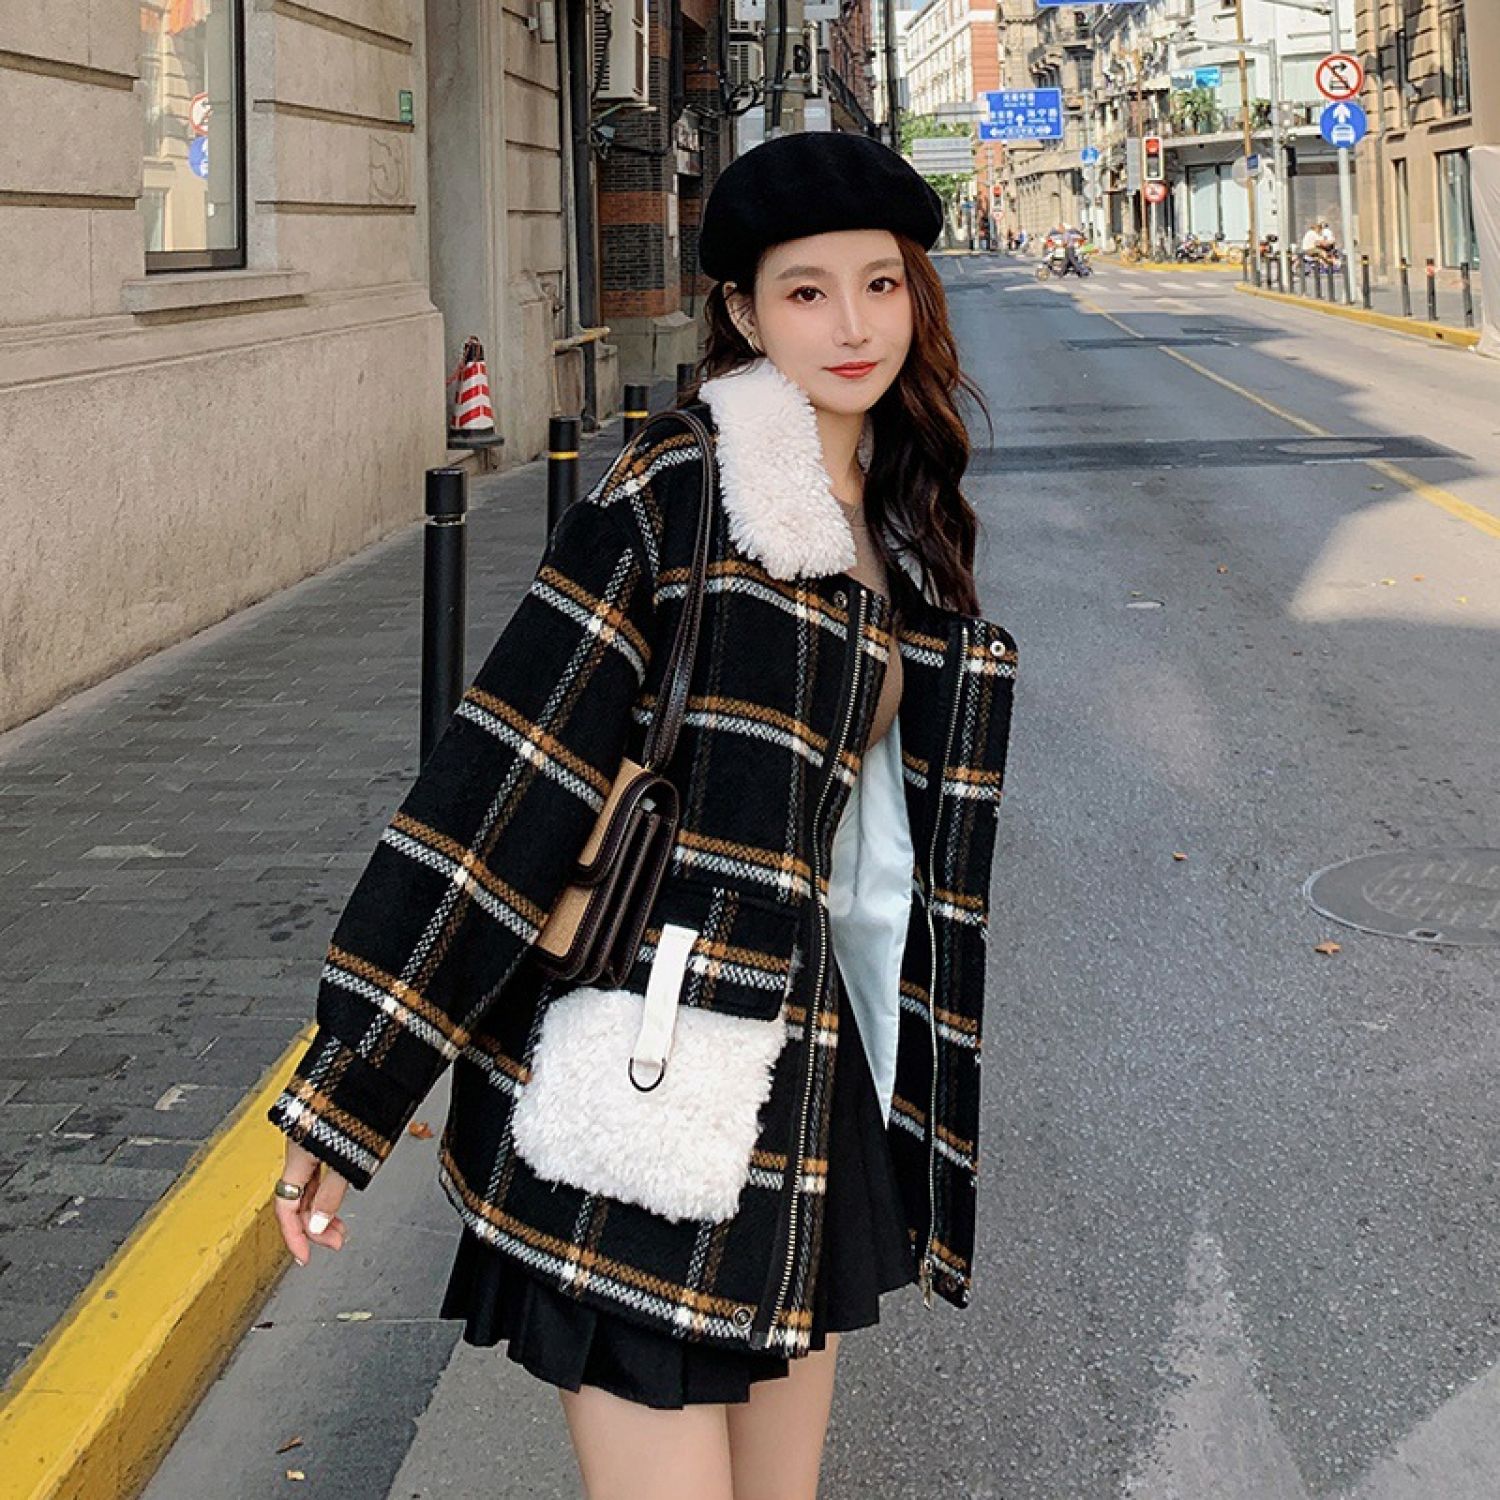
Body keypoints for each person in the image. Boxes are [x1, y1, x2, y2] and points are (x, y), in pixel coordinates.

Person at [266, 130, 1018, 1500]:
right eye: (807, 293)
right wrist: (350, 1092)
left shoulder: (898, 514)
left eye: (880, 284)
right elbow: (506, 778)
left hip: (808, 1079)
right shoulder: (681, 488)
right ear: (744, 312)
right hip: (653, 1077)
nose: (854, 327)